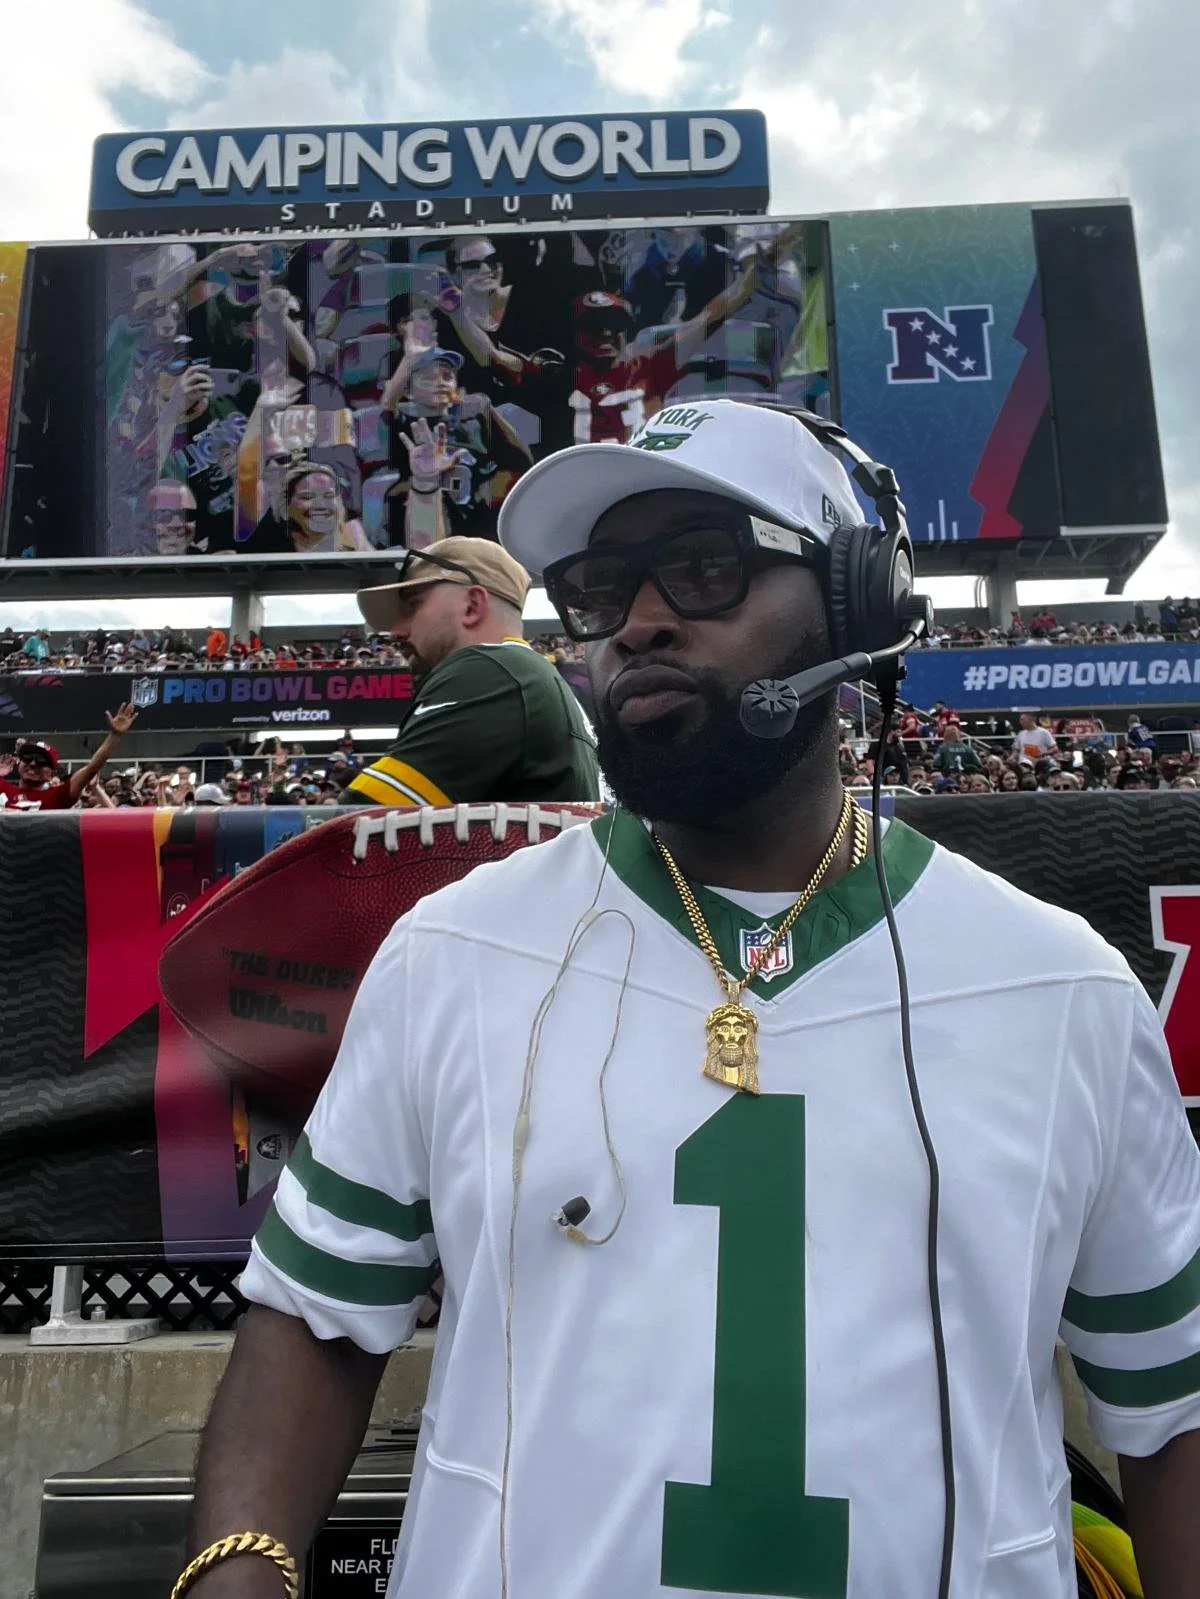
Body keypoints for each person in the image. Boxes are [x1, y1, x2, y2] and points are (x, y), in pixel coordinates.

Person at [186, 400, 1198, 1599]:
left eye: (708, 567)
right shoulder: (450, 953)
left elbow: (1171, 1403)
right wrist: (233, 1573)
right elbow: (313, 1316)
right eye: (603, 587)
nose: (642, 620)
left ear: (856, 602)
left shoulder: (1062, 988)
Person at [344, 537, 599, 807]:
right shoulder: (524, 673)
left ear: (472, 606)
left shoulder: (490, 670)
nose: (396, 631)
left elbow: (356, 826)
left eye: (413, 606)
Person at [0, 705, 138, 810]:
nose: (33, 763)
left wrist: (114, 736)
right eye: (27, 758)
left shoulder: (59, 795)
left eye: (41, 761)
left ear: (52, 774)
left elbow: (91, 768)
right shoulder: (3, 787)